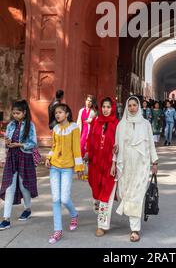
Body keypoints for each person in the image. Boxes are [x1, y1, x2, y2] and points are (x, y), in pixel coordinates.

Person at [111, 96, 158, 242]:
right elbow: (116, 147)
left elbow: (150, 143)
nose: (132, 108)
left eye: (134, 105)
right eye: (129, 105)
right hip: (124, 165)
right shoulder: (121, 125)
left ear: (138, 107)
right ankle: (133, 223)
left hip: (141, 164)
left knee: (137, 196)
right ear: (126, 107)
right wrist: (113, 163)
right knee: (126, 194)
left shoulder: (145, 124)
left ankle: (135, 229)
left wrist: (154, 162)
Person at [45, 103, 84, 244]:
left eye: (60, 112)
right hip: (55, 166)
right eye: (56, 113)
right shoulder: (55, 128)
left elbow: (77, 149)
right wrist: (49, 158)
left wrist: (79, 168)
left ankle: (74, 214)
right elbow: (53, 147)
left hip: (67, 167)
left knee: (65, 198)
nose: (57, 115)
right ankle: (58, 231)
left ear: (67, 114)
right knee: (56, 199)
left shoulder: (74, 128)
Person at [0, 100, 38, 230]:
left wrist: (20, 144)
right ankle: (6, 219)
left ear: (24, 112)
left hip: (25, 158)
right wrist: (8, 142)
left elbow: (33, 143)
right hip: (12, 157)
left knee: (23, 186)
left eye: (18, 113)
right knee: (9, 187)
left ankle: (27, 209)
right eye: (14, 113)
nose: (15, 115)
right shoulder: (11, 125)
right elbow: (6, 141)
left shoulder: (30, 125)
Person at [85, 97, 119, 237]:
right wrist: (87, 153)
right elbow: (90, 139)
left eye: (108, 107)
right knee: (96, 193)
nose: (105, 109)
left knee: (106, 195)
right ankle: (99, 211)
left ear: (113, 108)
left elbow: (118, 146)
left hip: (109, 165)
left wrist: (114, 163)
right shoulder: (95, 122)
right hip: (95, 164)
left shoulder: (117, 124)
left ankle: (102, 225)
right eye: (103, 106)